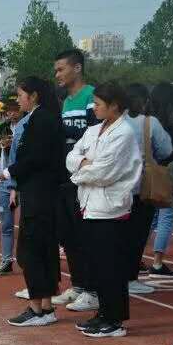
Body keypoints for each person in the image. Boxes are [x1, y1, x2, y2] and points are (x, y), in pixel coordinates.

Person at [66, 82, 142, 337]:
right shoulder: (94, 130)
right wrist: (84, 164)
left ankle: (115, 320)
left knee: (111, 266)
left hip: (111, 208)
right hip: (90, 204)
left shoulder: (124, 133)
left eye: (98, 104)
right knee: (97, 264)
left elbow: (104, 173)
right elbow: (71, 156)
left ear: (114, 106)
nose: (94, 108)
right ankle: (103, 313)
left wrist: (79, 173)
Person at [3, 77, 65, 327]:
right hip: (42, 194)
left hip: (40, 195)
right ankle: (46, 307)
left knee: (31, 252)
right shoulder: (42, 118)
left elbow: (36, 158)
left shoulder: (41, 121)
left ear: (34, 95)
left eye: (20, 95)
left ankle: (37, 308)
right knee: (43, 250)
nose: (18, 100)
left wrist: (9, 171)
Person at [52, 49, 98, 312]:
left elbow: (94, 132)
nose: (57, 75)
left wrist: (62, 128)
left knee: (84, 235)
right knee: (68, 235)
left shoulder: (91, 96)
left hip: (85, 177)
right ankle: (79, 285)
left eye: (61, 69)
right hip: (67, 176)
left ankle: (93, 289)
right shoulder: (66, 101)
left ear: (77, 68)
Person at [123, 84, 173, 295]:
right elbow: (166, 149)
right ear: (145, 102)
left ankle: (114, 276)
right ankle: (130, 278)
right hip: (142, 187)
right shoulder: (149, 122)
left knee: (118, 235)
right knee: (137, 235)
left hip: (117, 187)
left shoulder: (115, 121)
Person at [147, 83, 173, 278]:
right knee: (166, 217)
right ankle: (158, 261)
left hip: (149, 177)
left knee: (149, 219)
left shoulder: (149, 124)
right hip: (168, 179)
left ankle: (136, 257)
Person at [0, 100, 25, 275]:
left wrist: (14, 145)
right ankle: (6, 260)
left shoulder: (27, 126)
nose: (11, 113)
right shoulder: (3, 127)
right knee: (6, 224)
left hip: (23, 181)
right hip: (3, 180)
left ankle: (29, 263)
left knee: (28, 225)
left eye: (14, 110)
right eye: (8, 111)